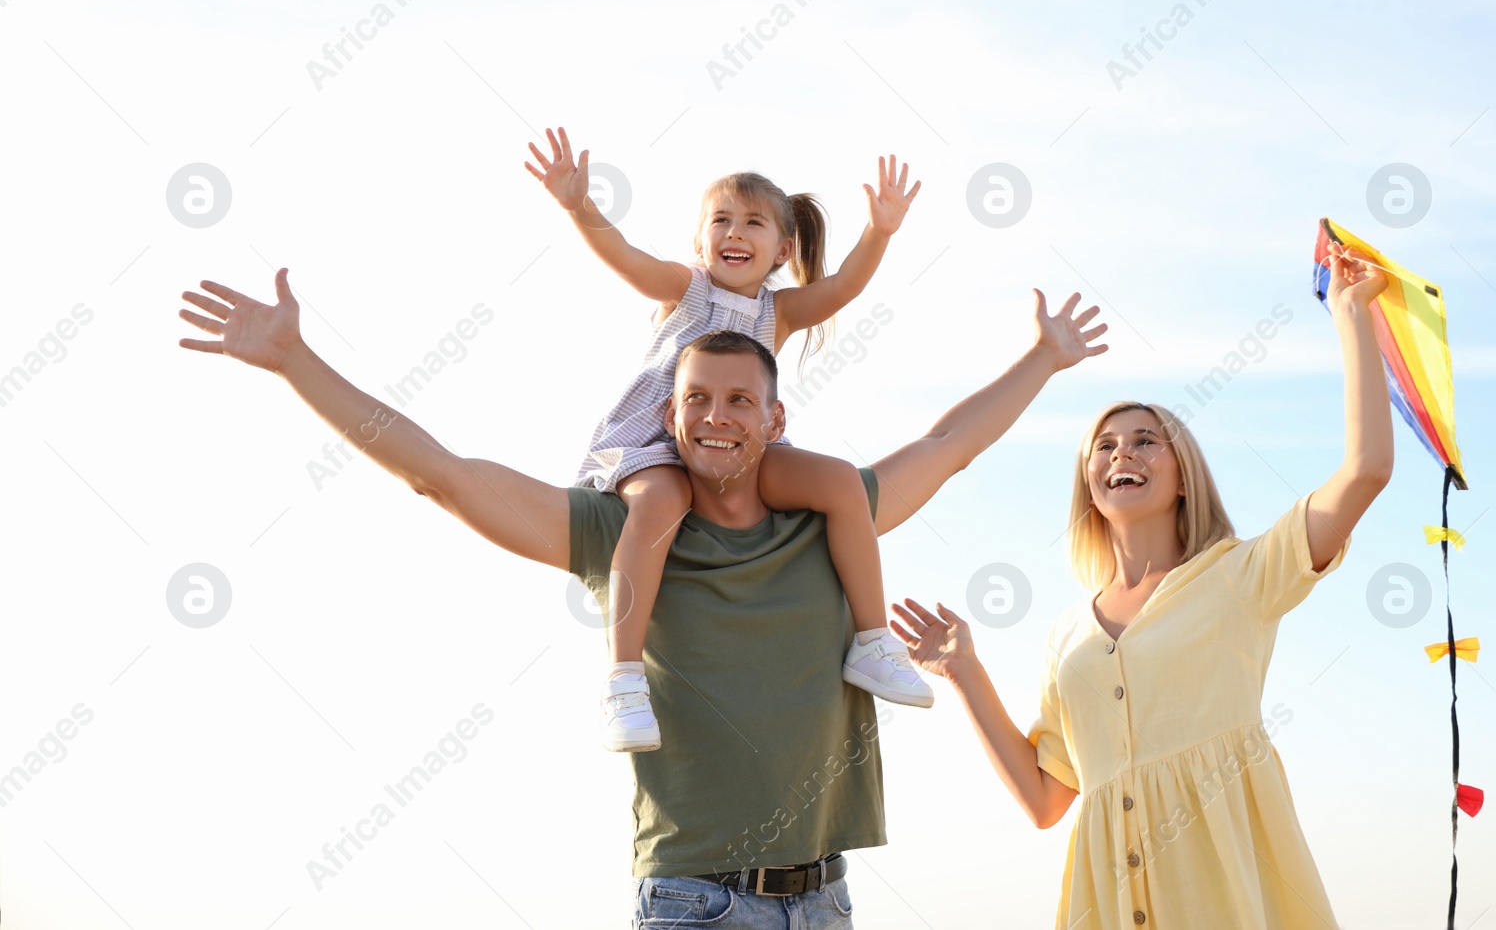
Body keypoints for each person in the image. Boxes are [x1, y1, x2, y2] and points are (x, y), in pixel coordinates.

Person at [176, 267, 1109, 929]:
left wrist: (1043, 359)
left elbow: (949, 445)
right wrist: (297, 361)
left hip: (825, 898)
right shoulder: (627, 538)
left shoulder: (831, 520)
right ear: (669, 413)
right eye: (698, 398)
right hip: (694, 901)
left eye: (740, 400)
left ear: (775, 417)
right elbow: (444, 477)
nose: (716, 416)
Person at [891, 243, 1393, 929]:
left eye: (1144, 440)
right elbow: (1045, 800)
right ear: (1090, 486)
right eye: (1105, 445)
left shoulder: (1242, 575)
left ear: (1182, 473)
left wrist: (1349, 316)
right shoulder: (1067, 635)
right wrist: (966, 672)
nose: (1122, 451)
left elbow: (1364, 470)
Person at [524, 126, 932, 752]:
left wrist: (879, 230)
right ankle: (625, 679)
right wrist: (581, 206)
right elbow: (625, 257)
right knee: (659, 505)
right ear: (699, 240)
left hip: (743, 454)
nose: (735, 233)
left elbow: (844, 286)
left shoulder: (781, 312)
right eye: (721, 220)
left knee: (841, 483)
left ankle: (872, 641)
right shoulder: (684, 288)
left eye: (753, 224)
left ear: (781, 250)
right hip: (660, 442)